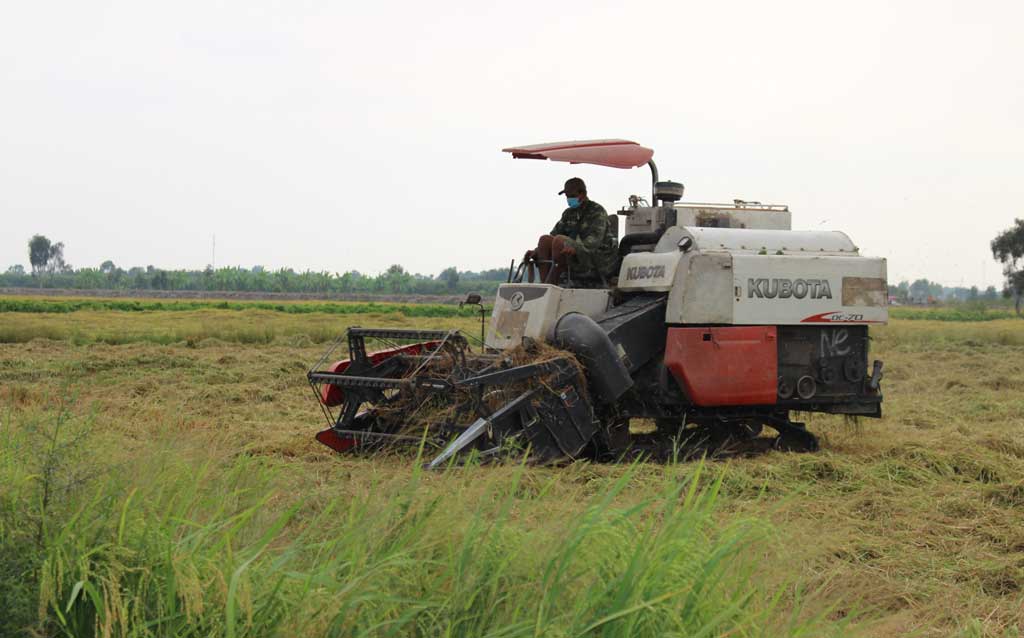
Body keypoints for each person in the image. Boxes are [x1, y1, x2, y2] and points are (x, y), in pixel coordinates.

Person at [525, 177, 617, 284]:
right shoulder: (568, 213)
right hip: (575, 254)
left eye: (572, 196)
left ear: (582, 194)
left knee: (559, 241)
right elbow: (554, 234)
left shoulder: (597, 211)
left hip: (596, 257)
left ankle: (552, 283)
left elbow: (594, 241)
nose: (569, 199)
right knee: (544, 240)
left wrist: (575, 248)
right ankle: (545, 283)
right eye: (567, 196)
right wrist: (537, 251)